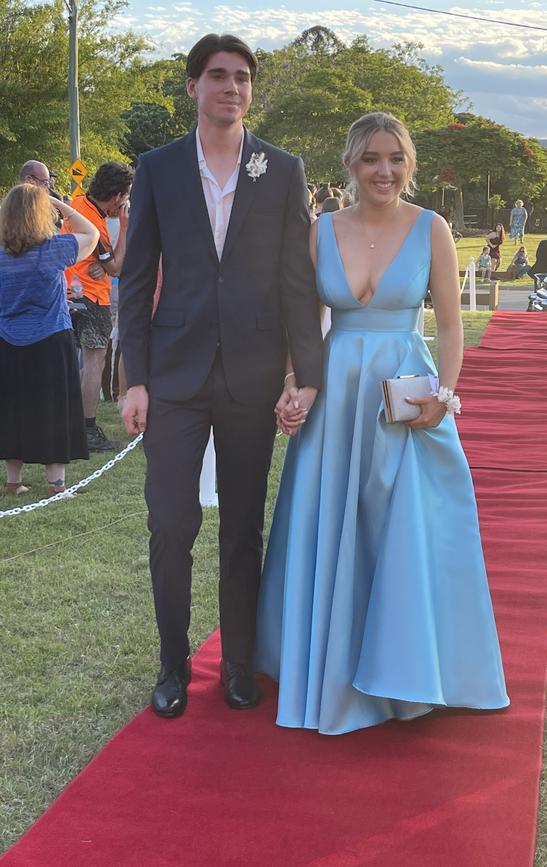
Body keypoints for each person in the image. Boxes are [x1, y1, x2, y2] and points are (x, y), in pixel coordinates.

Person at [255, 111, 509, 735]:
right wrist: (294, 385)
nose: (384, 171)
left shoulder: (433, 229)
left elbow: (451, 326)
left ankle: (406, 668)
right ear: (351, 164)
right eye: (371, 158)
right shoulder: (321, 230)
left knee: (403, 528)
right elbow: (301, 325)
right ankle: (328, 663)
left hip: (406, 393)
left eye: (396, 159)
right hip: (336, 395)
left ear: (409, 165)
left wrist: (444, 398)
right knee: (330, 521)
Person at [118, 33, 323, 718]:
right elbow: (136, 278)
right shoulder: (157, 168)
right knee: (170, 522)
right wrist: (134, 377)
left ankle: (238, 665)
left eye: (242, 77)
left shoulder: (283, 169)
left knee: (242, 527)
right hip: (173, 377)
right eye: (217, 76)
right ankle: (172, 665)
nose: (231, 87)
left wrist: (305, 373)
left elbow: (298, 281)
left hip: (253, 374)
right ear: (192, 87)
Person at [0, 184, 99, 495]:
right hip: (50, 339)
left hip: (6, 340)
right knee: (54, 409)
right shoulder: (53, 248)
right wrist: (59, 202)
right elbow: (92, 234)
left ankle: (13, 482)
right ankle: (56, 484)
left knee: (11, 409)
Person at [64, 161, 133, 452]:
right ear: (117, 196)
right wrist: (126, 227)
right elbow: (116, 267)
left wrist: (101, 268)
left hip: (69, 292)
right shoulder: (94, 221)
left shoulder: (77, 204)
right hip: (91, 298)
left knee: (81, 365)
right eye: (126, 195)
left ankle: (77, 426)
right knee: (94, 363)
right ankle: (87, 429)